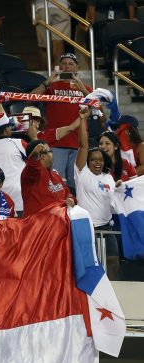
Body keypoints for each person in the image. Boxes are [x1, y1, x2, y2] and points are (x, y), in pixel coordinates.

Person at [30, 53, 93, 192]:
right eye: (64, 64)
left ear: (77, 67)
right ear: (59, 66)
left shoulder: (85, 88)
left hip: (78, 143)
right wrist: (47, 82)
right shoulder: (52, 86)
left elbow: (97, 108)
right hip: (56, 142)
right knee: (52, 181)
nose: (67, 67)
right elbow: (30, 98)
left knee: (76, 183)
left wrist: (82, 88)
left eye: (71, 64)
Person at [74, 106, 120, 279]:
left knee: (114, 261)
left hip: (107, 228)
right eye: (93, 160)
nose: (97, 163)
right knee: (89, 265)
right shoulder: (81, 172)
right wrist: (83, 119)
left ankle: (114, 291)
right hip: (87, 228)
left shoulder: (108, 177)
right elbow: (83, 145)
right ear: (88, 162)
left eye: (101, 160)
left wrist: (120, 188)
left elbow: (115, 201)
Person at [21, 139, 76, 217]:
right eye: (50, 151)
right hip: (37, 226)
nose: (52, 154)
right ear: (42, 156)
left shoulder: (55, 174)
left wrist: (71, 199)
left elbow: (68, 193)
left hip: (57, 224)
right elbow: (32, 165)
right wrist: (35, 154)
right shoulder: (30, 174)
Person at [32, 0, 71, 66]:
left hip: (41, 6)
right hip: (61, 6)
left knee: (44, 46)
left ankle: (44, 74)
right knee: (58, 44)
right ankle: (57, 73)